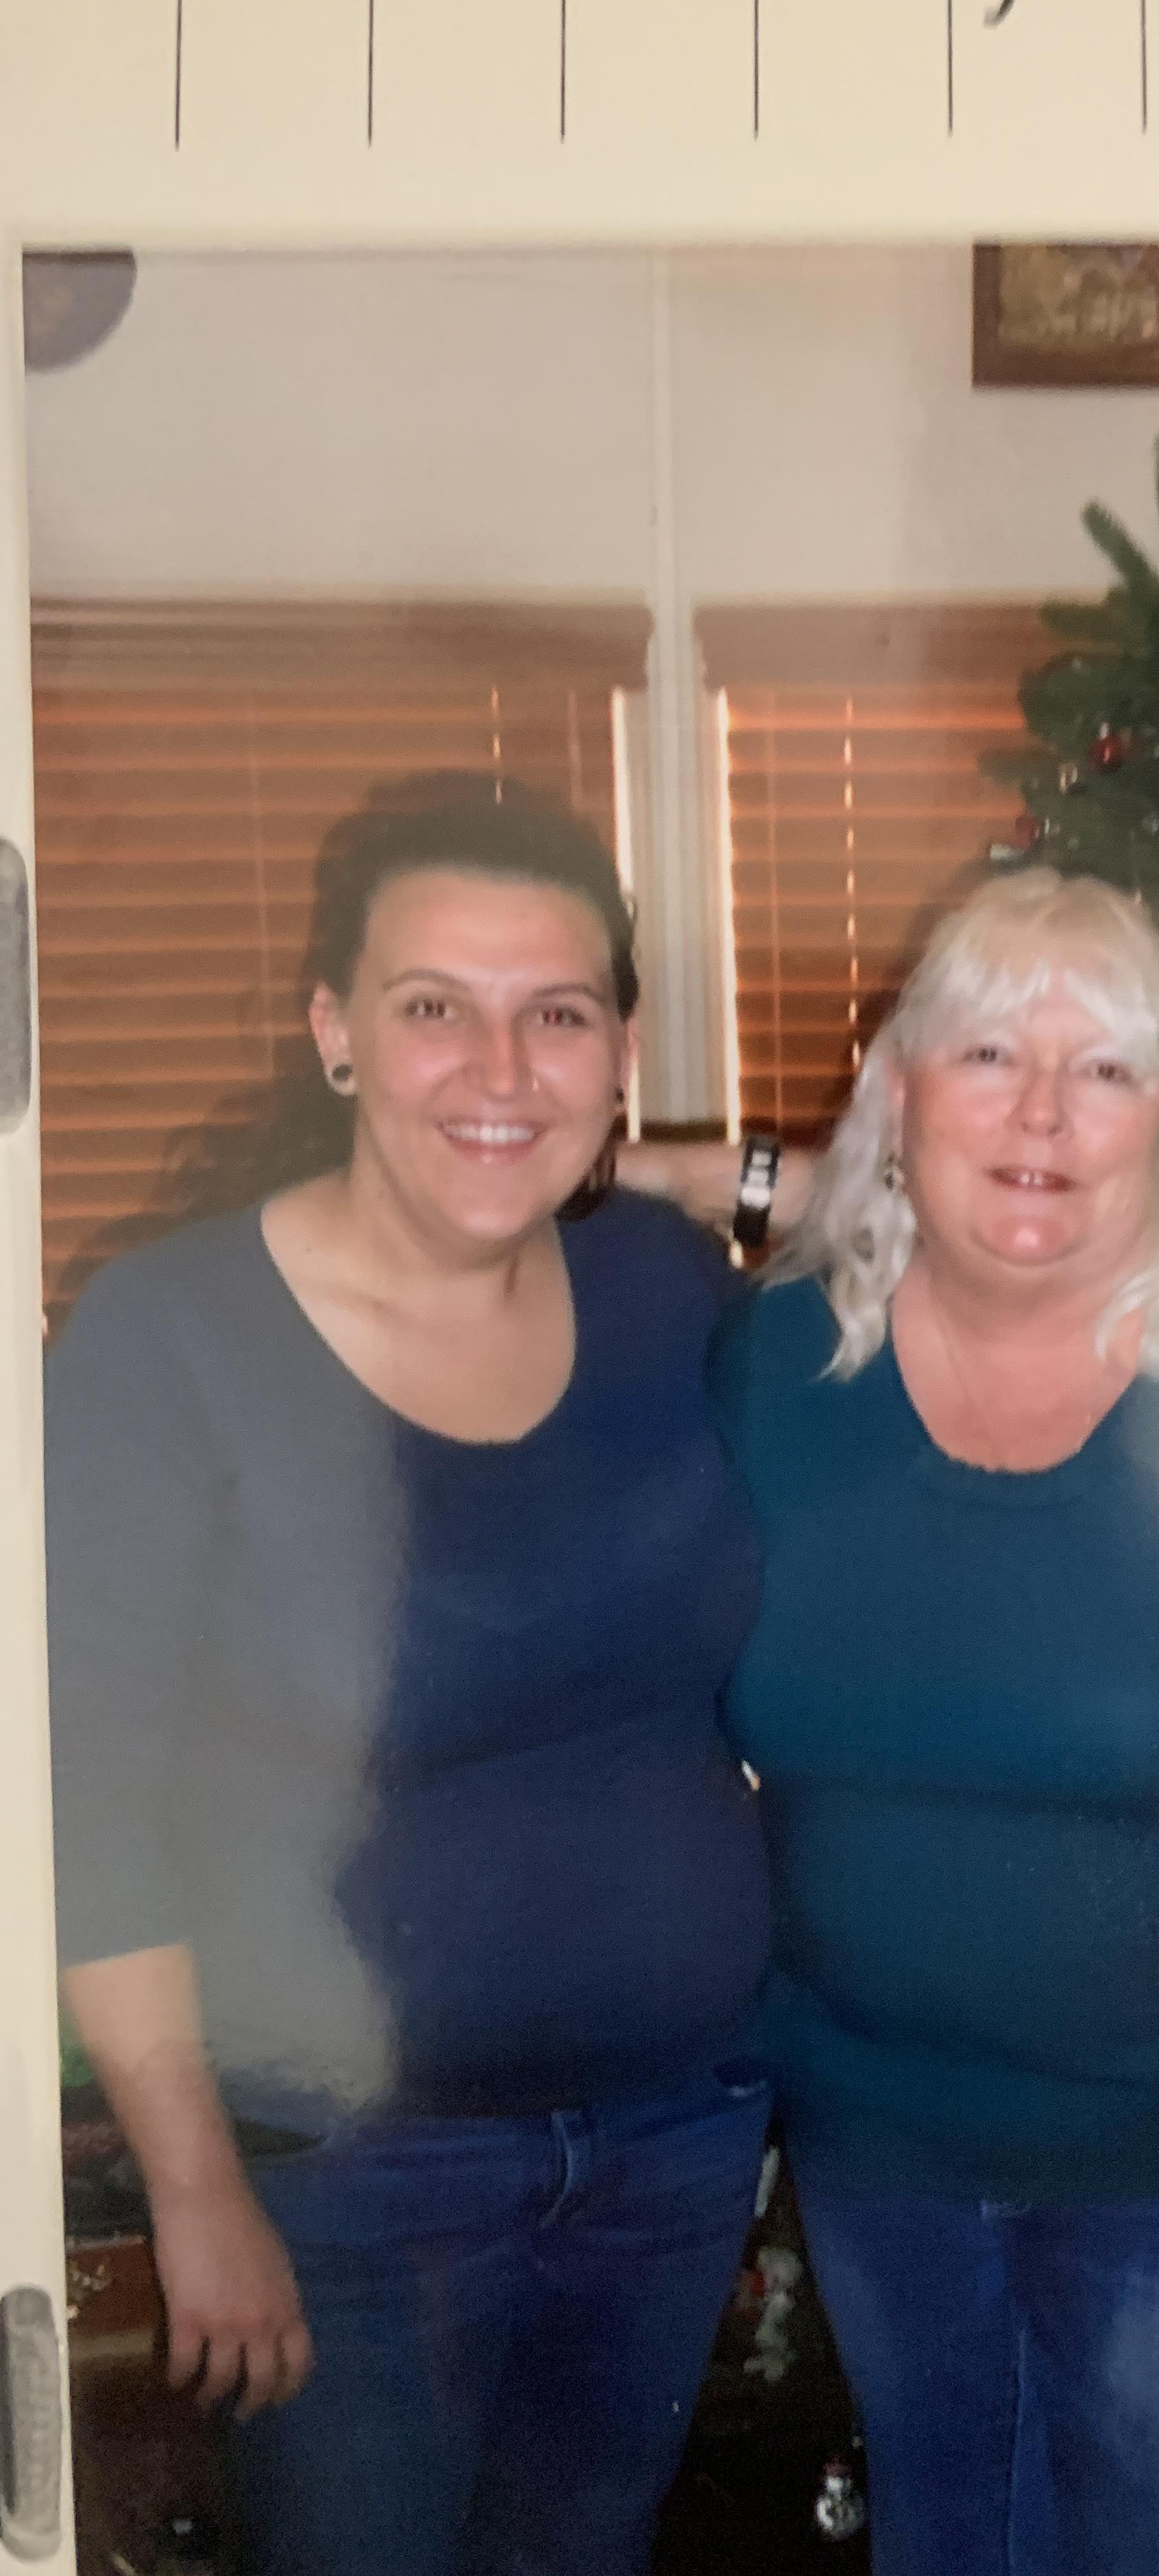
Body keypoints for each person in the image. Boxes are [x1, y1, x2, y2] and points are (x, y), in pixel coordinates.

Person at [47, 775, 778, 2576]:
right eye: (434, 1006)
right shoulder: (167, 1338)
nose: (499, 1065)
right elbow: (87, 1800)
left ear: (624, 1051)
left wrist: (701, 1169)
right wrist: (194, 2189)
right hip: (351, 2188)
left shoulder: (666, 1286)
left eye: (559, 1016)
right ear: (335, 1032)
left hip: (678, 2135)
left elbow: (990, 1209)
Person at [708, 867, 1159, 2576]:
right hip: (872, 2138)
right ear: (899, 1092)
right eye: (987, 1055)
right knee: (945, 2535)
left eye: (1104, 1068)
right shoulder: (773, 1364)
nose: (1041, 1112)